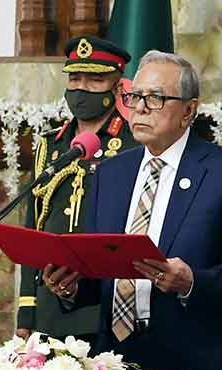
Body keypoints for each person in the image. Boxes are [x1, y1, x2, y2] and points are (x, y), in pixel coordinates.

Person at [44, 51, 222, 370]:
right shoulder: (110, 173)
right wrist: (70, 286)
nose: (140, 107)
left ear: (189, 110)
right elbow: (101, 269)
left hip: (195, 368)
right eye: (134, 97)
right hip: (116, 365)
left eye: (156, 98)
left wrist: (191, 282)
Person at [17, 35, 138, 342]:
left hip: (105, 307)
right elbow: (34, 232)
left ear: (117, 84)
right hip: (50, 309)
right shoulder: (51, 145)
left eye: (94, 79)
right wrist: (27, 312)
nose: (81, 88)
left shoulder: (132, 144)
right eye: (75, 78)